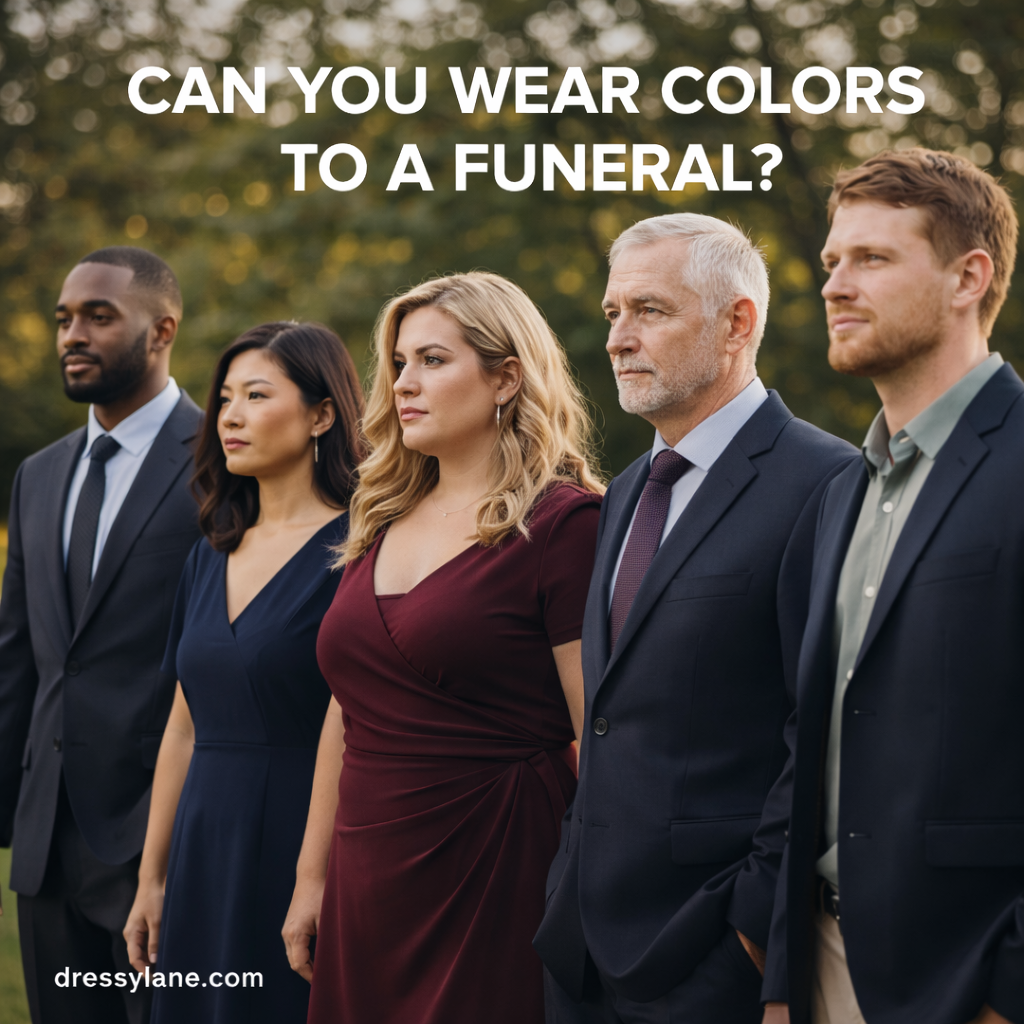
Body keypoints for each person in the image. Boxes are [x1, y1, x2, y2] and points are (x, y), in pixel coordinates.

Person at [533, 213, 856, 1024]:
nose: (617, 338)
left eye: (650, 310)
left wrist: (754, 934)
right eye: (614, 314)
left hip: (713, 956)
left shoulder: (829, 483)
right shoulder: (626, 490)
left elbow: (818, 733)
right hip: (581, 951)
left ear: (736, 323)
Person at [280, 272, 604, 1024]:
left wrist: (598, 889)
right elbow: (347, 709)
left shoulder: (566, 525)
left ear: (506, 378)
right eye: (397, 364)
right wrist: (311, 876)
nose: (401, 385)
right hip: (366, 869)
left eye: (432, 360)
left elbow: (598, 730)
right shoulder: (381, 514)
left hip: (497, 865)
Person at [760, 150, 1021, 1024]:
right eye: (833, 261)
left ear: (967, 278)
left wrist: (1008, 993)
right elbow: (814, 737)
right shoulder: (841, 492)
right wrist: (783, 974)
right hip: (826, 965)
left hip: (967, 975)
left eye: (872, 259)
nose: (834, 283)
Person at [122, 322, 365, 1024]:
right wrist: (153, 877)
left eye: (257, 395)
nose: (229, 415)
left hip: (300, 840)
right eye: (225, 397)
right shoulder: (211, 549)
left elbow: (351, 724)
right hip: (202, 836)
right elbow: (182, 728)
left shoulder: (359, 550)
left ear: (322, 414)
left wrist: (312, 878)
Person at [0, 248, 200, 1024]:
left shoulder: (224, 459)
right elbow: (19, 654)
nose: (71, 335)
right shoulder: (39, 475)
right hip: (46, 843)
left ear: (162, 331)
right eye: (63, 319)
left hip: (163, 836)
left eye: (98, 316)